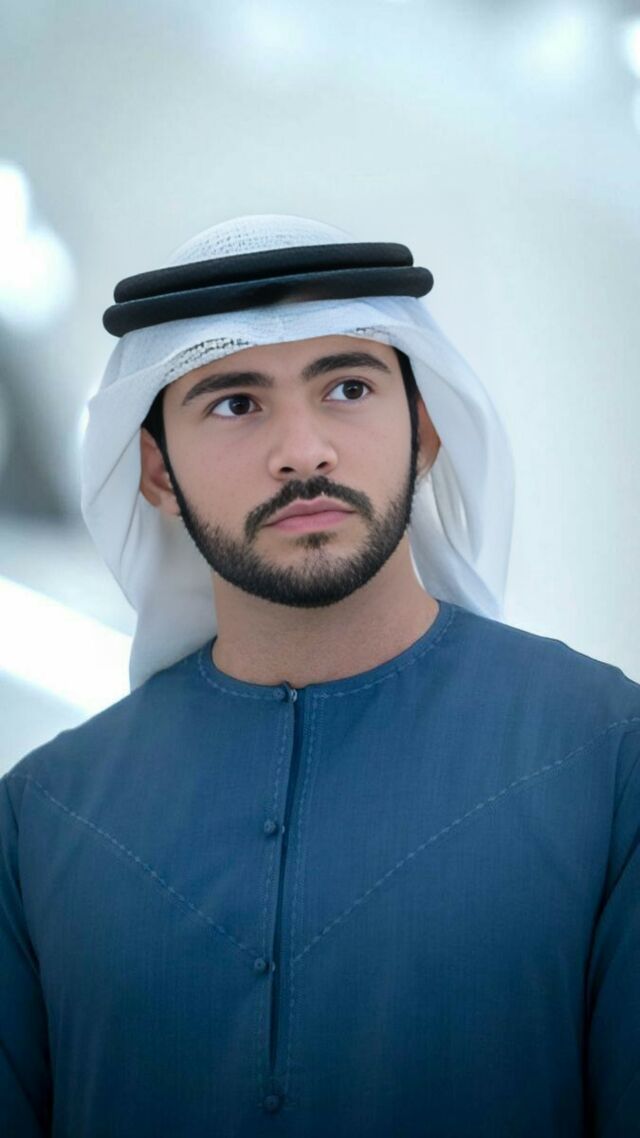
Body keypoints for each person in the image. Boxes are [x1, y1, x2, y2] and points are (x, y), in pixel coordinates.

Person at [1, 215, 638, 1138]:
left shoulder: (607, 760)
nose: (303, 451)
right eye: (235, 403)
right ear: (156, 471)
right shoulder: (39, 822)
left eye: (348, 387)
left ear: (425, 431)